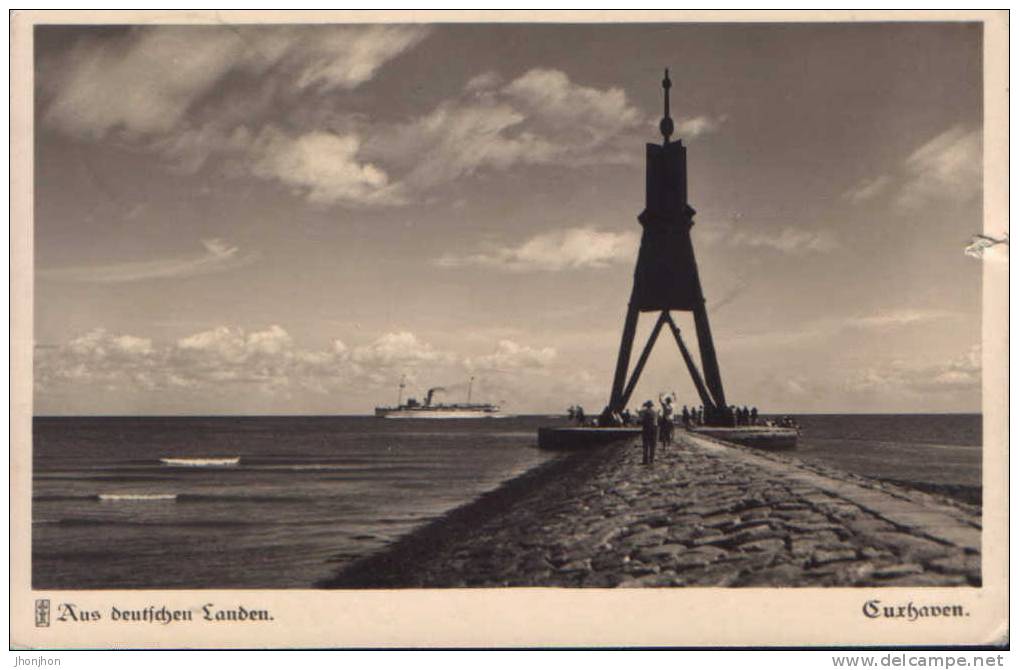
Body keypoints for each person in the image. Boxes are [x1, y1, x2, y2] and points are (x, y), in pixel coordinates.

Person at [639, 400, 658, 465]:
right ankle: (651, 460)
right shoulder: (655, 412)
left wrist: (642, 406)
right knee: (652, 445)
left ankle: (645, 460)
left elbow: (641, 420)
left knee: (645, 445)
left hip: (646, 429)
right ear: (651, 406)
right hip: (654, 429)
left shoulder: (644, 412)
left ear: (646, 406)